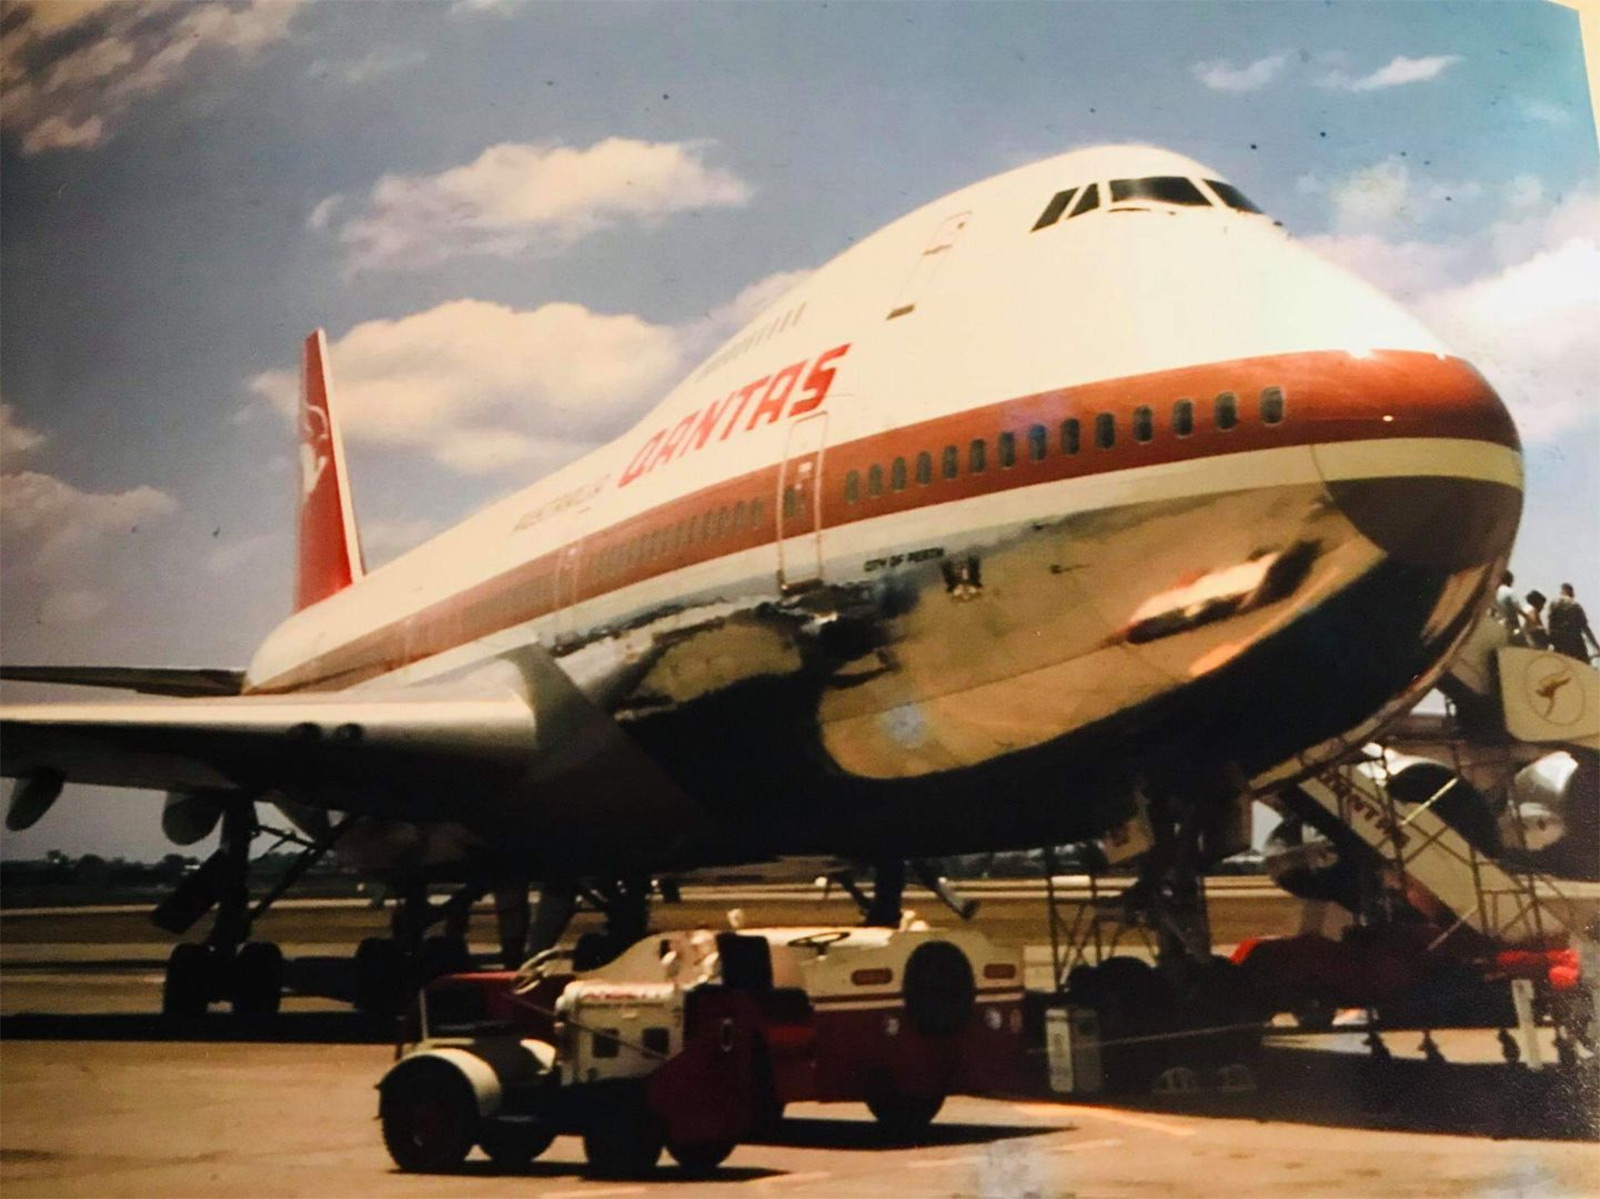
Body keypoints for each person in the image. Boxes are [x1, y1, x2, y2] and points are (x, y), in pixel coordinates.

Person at [1547, 583, 1599, 662]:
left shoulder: (1553, 604)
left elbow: (1550, 624)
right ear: (1571, 592)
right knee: (1583, 667)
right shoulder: (1575, 605)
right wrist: (1596, 647)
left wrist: (1550, 642)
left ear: (1561, 592)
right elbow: (1585, 629)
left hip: (1558, 643)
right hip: (1575, 644)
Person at [1494, 570, 1525, 642]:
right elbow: (1518, 608)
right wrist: (1527, 618)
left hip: (1497, 623)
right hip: (1511, 625)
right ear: (1509, 580)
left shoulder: (1494, 592)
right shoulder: (1509, 591)